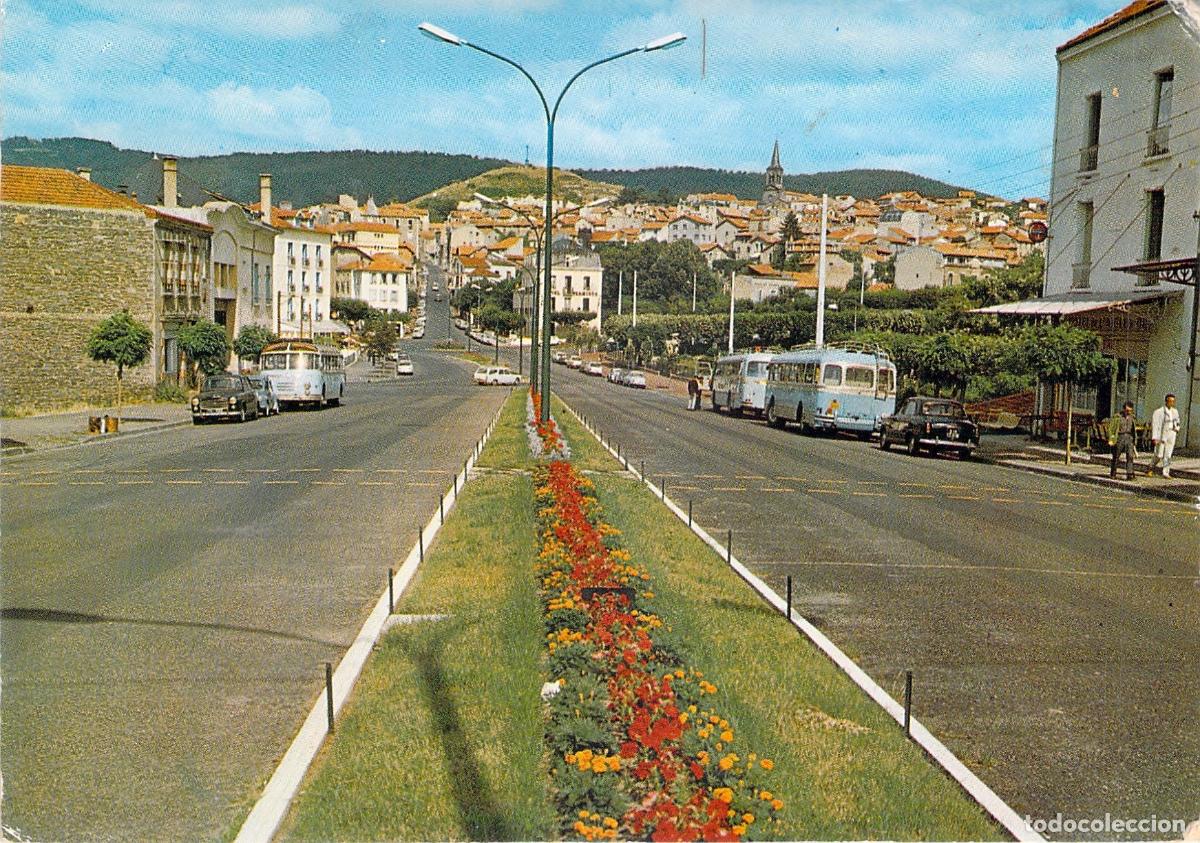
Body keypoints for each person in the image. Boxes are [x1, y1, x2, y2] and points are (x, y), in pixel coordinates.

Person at [1149, 393, 1181, 478]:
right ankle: (1151, 467)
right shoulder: (1159, 412)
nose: (1171, 403)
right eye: (1170, 401)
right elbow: (1155, 425)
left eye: (1173, 401)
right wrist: (1155, 437)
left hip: (1171, 433)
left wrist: (1177, 429)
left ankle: (1166, 472)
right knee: (1159, 454)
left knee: (1168, 454)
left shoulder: (1175, 411)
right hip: (1162, 435)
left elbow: (1177, 421)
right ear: (1166, 401)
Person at [1106, 401, 1138, 481]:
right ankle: (1113, 473)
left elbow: (1133, 429)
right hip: (1120, 436)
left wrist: (1134, 440)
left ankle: (1129, 474)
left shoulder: (1132, 417)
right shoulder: (1117, 417)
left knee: (1130, 456)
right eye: (1127, 410)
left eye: (1130, 411)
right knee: (1116, 456)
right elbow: (1111, 429)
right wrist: (1111, 439)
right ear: (1124, 409)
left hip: (1129, 437)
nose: (1129, 412)